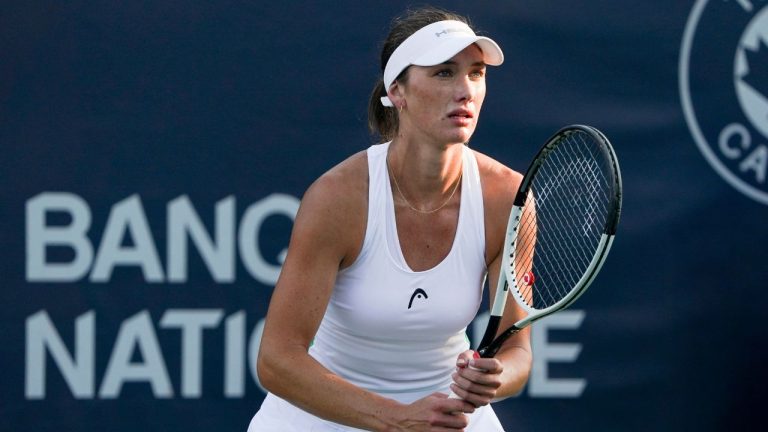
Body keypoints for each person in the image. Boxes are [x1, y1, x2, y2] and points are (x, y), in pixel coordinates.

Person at [248, 6, 532, 431]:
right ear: (397, 91)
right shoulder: (337, 199)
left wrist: (495, 379)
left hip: (445, 416)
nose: (465, 90)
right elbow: (276, 360)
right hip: (321, 415)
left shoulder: (508, 199)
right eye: (443, 73)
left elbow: (518, 353)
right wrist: (396, 420)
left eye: (476, 73)